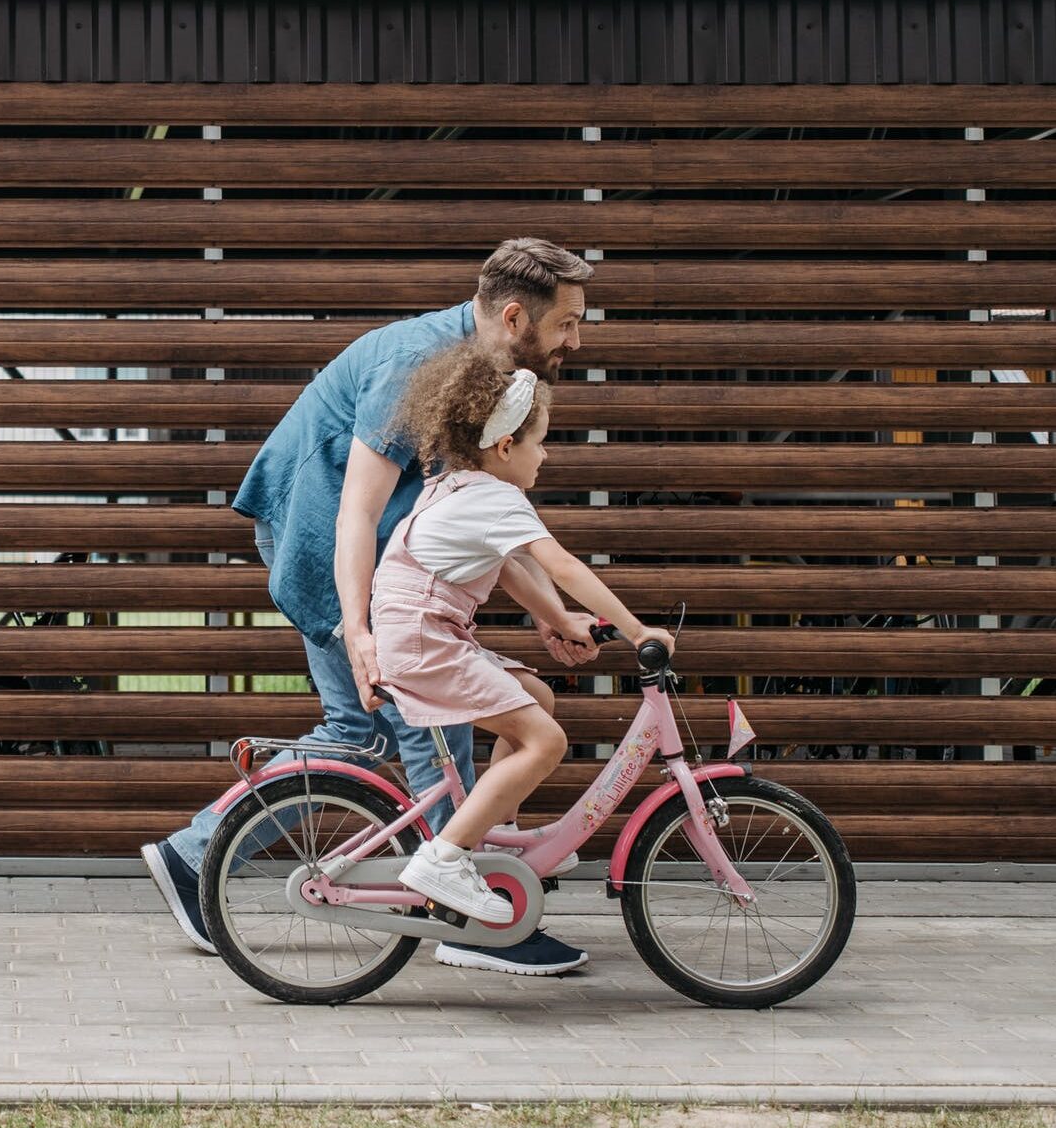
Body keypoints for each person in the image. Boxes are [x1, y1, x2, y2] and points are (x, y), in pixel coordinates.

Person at [141, 237, 601, 977]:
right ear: (515, 317)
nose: (576, 340)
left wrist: (548, 610)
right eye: (568, 323)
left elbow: (478, 514)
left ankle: (194, 855)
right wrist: (359, 632)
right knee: (427, 712)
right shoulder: (415, 366)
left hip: (369, 544)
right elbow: (354, 512)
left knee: (359, 731)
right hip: (321, 534)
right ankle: (454, 909)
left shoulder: (485, 372)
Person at [376, 341, 672, 922]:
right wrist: (639, 631)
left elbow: (509, 567)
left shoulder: (455, 484)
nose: (547, 455)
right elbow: (560, 564)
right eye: (540, 441)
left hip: (425, 633)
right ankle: (445, 857)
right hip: (424, 640)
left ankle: (496, 837)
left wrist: (560, 620)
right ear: (506, 445)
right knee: (546, 741)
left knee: (536, 698)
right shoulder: (494, 495)